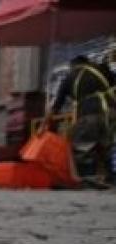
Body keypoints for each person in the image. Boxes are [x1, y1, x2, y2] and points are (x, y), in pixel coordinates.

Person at [48, 55, 116, 185]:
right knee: (104, 145)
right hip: (110, 113)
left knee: (79, 146)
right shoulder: (101, 69)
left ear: (73, 65)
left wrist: (46, 123)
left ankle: (88, 177)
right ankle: (109, 178)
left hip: (88, 114)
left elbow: (57, 105)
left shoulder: (69, 77)